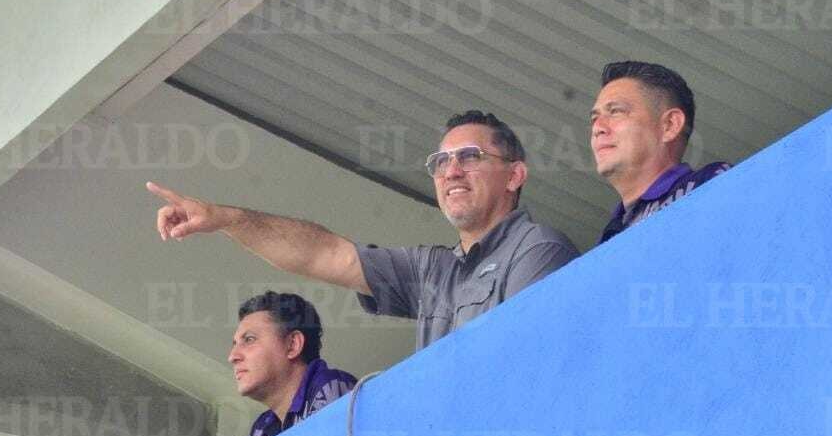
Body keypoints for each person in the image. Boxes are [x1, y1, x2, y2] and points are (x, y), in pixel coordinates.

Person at [149, 110, 578, 351]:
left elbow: (528, 357)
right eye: (441, 163)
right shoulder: (434, 269)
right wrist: (227, 219)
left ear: (515, 175)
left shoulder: (538, 249)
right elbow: (324, 254)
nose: (452, 172)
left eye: (469, 157)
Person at [590, 61, 730, 244]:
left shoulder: (710, 183)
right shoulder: (610, 235)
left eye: (616, 112)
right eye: (594, 118)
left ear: (670, 125)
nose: (597, 128)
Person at [230, 291, 357, 436]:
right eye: (234, 343)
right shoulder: (260, 430)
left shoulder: (330, 386)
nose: (232, 356)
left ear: (293, 345)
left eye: (249, 339)